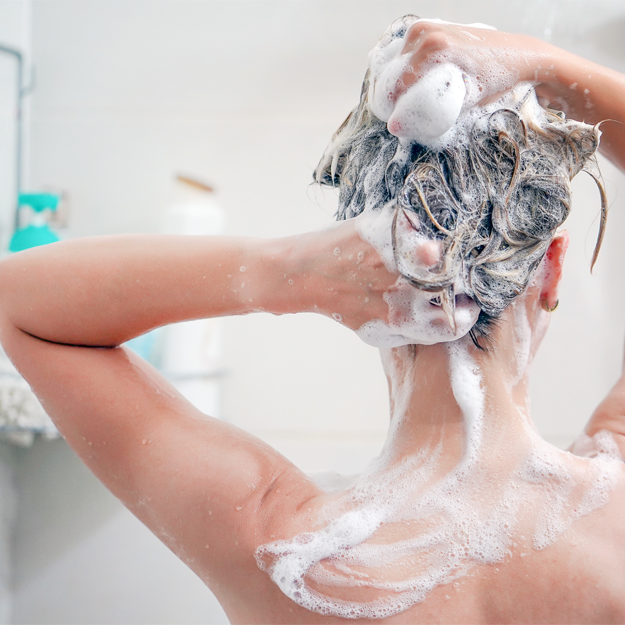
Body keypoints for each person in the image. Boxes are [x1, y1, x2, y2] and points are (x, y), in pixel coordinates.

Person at [1, 17, 625, 624]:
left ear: (356, 259)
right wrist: (546, 65)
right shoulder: (613, 519)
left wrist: (285, 271)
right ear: (553, 269)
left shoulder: (286, 551)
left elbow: (20, 302)